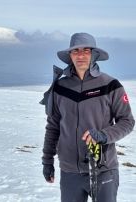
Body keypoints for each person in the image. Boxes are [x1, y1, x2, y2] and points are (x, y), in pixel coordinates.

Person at [41, 32, 135, 202]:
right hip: (70, 172)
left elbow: (127, 121)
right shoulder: (60, 87)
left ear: (94, 54)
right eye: (76, 51)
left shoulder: (110, 85)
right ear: (70, 55)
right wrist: (47, 161)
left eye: (86, 50)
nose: (81, 55)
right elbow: (53, 127)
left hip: (103, 168)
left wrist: (104, 135)